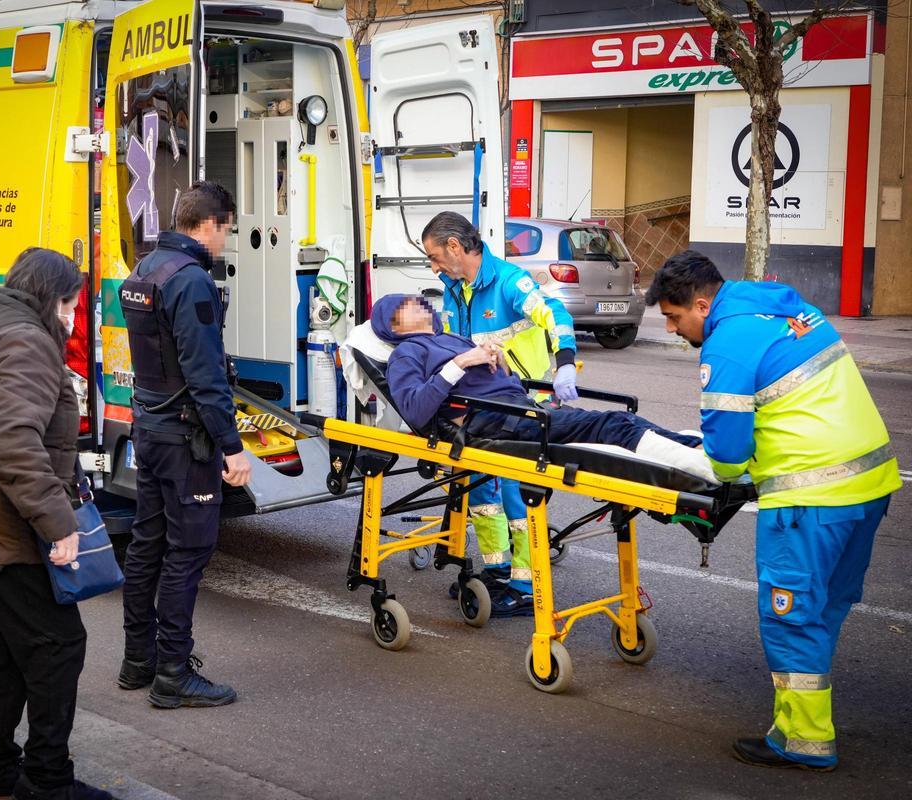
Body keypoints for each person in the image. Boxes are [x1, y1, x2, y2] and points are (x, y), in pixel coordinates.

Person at [647, 251, 900, 771]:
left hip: (811, 499)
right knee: (823, 608)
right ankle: (797, 716)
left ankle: (805, 741)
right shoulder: (787, 308)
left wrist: (712, 458)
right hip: (869, 484)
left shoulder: (728, 343)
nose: (674, 330)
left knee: (790, 617)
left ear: (701, 304)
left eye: (674, 318)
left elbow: (727, 457)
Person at [0, 248, 111, 800]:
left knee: (8, 651)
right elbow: (17, 446)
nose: (71, 316)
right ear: (49, 297)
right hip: (8, 527)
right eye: (70, 304)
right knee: (59, 646)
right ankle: (46, 779)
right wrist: (59, 526)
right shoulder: (27, 343)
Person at [118, 182, 251, 708]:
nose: (226, 241)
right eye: (228, 230)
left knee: (147, 545)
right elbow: (204, 374)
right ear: (212, 223)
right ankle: (173, 672)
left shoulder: (143, 270)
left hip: (148, 429)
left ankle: (138, 661)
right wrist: (232, 444)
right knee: (187, 551)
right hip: (184, 439)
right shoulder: (191, 279)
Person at [421, 212, 580, 611]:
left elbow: (556, 314)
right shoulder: (455, 290)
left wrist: (565, 362)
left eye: (435, 257)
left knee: (516, 493)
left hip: (525, 403)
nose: (433, 266)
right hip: (482, 407)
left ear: (455, 247)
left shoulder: (510, 282)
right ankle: (498, 571)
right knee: (481, 490)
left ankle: (526, 588)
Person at [372, 293, 716, 478]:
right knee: (613, 424)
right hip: (491, 421)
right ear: (393, 324)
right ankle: (702, 465)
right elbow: (416, 411)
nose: (420, 305)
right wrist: (461, 362)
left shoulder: (451, 338)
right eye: (406, 307)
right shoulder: (407, 353)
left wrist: (499, 361)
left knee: (618, 422)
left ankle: (697, 449)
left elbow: (503, 383)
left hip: (517, 409)